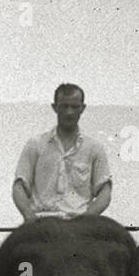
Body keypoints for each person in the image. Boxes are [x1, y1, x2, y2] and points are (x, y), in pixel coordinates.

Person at [13, 83, 112, 222]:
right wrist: (29, 216)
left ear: (83, 108)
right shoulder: (35, 144)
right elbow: (19, 186)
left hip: (79, 224)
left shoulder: (94, 148)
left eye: (74, 107)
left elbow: (105, 190)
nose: (69, 112)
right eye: (64, 106)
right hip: (42, 222)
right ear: (55, 107)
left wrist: (86, 219)